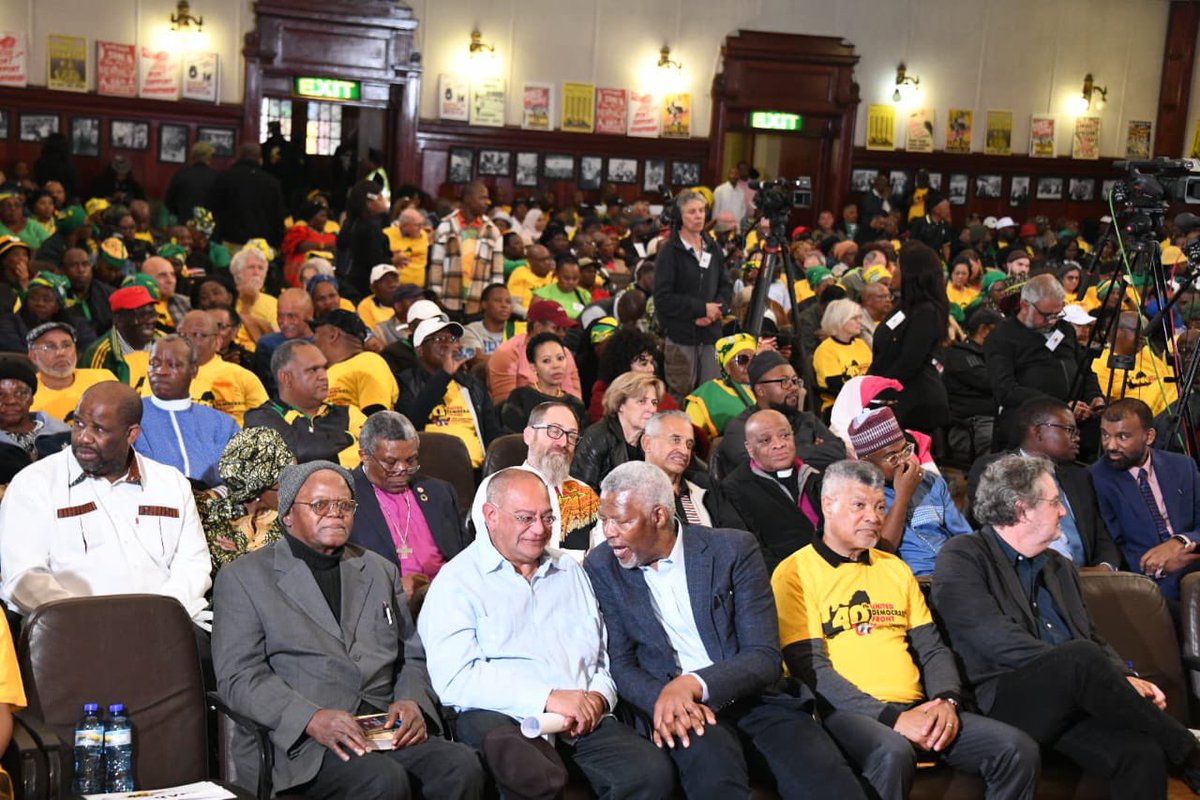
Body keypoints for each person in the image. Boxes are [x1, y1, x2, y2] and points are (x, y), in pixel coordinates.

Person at [585, 461, 865, 799]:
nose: (610, 532)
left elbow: (763, 656)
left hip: (753, 697)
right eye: (605, 520)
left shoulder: (732, 550)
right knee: (714, 775)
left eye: (623, 521)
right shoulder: (602, 564)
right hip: (676, 710)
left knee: (828, 782)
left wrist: (692, 684)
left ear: (659, 516)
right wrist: (665, 698)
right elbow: (621, 663)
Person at [212, 460, 484, 800]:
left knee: (461, 765)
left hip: (381, 732)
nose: (335, 513)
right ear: (287, 516)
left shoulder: (379, 569)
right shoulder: (244, 578)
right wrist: (311, 718)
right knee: (381, 780)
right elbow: (240, 677)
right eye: (320, 505)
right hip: (300, 743)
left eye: (344, 505)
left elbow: (410, 656)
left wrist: (411, 701)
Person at [933, 454, 1200, 796]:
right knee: (1080, 657)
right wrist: (1078, 670)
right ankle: (1189, 752)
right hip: (1003, 701)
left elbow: (1091, 635)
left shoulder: (1059, 565)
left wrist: (1125, 677)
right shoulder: (963, 555)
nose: (1062, 511)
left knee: (1140, 753)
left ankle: (1177, 750)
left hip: (1073, 700)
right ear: (1023, 509)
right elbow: (995, 640)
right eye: (1055, 502)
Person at [772, 459, 1039, 800]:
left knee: (1016, 749)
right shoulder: (794, 571)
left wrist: (946, 699)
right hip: (843, 713)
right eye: (859, 505)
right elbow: (810, 670)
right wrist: (892, 719)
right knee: (893, 751)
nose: (873, 516)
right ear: (828, 504)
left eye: (880, 506)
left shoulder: (895, 569)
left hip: (917, 707)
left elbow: (932, 648)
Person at [418, 467, 674, 800]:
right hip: (504, 718)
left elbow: (601, 655)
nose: (540, 530)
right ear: (490, 516)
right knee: (526, 769)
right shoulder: (456, 581)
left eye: (548, 519)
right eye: (525, 518)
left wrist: (598, 697)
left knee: (650, 772)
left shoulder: (569, 571)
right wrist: (547, 697)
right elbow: (455, 679)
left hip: (582, 717)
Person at [0, 382, 211, 620]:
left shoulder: (170, 482)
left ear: (131, 434)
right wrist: (90, 618)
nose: (84, 437)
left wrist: (158, 613)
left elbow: (193, 564)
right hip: (68, 628)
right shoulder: (34, 483)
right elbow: (23, 576)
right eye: (78, 423)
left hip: (164, 624)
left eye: (99, 429)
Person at [965, 397, 1123, 569]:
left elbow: (1101, 536)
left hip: (1089, 580)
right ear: (1039, 432)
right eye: (1069, 430)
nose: (1077, 438)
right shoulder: (995, 470)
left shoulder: (1078, 476)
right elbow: (998, 535)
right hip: (1029, 580)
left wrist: (1105, 567)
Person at [1090, 398, 1200, 601]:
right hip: (1148, 581)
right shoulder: (1096, 478)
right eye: (1106, 435)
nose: (1111, 445)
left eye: (1122, 436)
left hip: (1193, 561)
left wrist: (1180, 541)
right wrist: (1161, 567)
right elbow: (1112, 545)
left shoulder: (1182, 466)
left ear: (1148, 436)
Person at [349, 411, 468, 598]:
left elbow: (465, 555)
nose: (402, 470)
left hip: (450, 597)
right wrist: (392, 588)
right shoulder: (345, 497)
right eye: (391, 462)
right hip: (386, 603)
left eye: (410, 460)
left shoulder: (439, 492)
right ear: (365, 455)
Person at [985, 273, 1104, 449]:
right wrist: (1060, 407)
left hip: (1077, 417)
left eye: (1058, 313)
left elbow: (1084, 369)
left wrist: (1095, 397)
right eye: (1047, 315)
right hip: (1030, 421)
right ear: (1025, 305)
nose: (1053, 320)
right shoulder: (1002, 336)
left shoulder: (1064, 329)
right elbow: (1006, 390)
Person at [847, 408, 970, 575]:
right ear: (866, 464)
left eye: (906, 450)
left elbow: (962, 535)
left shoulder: (930, 482)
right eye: (892, 458)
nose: (903, 461)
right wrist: (902, 496)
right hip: (910, 581)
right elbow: (882, 551)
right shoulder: (861, 497)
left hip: (953, 571)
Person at [720, 408, 823, 571]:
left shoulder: (815, 476)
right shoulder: (734, 488)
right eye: (765, 440)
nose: (779, 444)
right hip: (784, 576)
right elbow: (751, 549)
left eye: (785, 435)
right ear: (749, 448)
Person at [654, 190, 732, 399]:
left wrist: (717, 309)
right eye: (691, 212)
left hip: (711, 335)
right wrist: (700, 309)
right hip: (681, 336)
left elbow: (726, 285)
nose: (698, 216)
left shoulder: (712, 247)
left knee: (711, 396)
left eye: (701, 210)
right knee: (681, 395)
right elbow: (662, 299)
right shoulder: (669, 251)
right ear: (680, 217)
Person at [134, 335, 240, 488]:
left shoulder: (223, 424)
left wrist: (215, 495)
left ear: (193, 370)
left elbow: (240, 477)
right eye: (154, 364)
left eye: (173, 365)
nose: (161, 371)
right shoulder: (131, 417)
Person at [717, 350, 845, 477]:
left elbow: (839, 451)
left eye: (795, 381)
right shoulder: (742, 427)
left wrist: (784, 455)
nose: (794, 387)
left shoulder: (806, 419)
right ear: (761, 390)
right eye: (784, 382)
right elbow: (760, 466)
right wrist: (812, 449)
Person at [397, 318, 500, 470]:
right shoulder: (405, 381)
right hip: (430, 472)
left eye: (452, 339)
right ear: (419, 349)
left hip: (475, 472)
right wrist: (443, 375)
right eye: (438, 339)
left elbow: (492, 434)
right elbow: (409, 424)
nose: (447, 344)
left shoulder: (472, 385)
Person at [869, 243, 951, 434]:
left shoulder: (926, 312)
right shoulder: (903, 306)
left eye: (897, 266)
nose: (893, 272)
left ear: (912, 273)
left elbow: (909, 362)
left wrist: (875, 387)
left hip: (913, 402)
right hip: (889, 394)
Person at [245, 340, 365, 468]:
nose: (323, 376)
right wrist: (350, 438)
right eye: (313, 370)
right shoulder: (261, 418)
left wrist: (319, 458)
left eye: (324, 368)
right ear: (286, 378)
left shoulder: (348, 412)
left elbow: (377, 449)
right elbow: (298, 452)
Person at [198, 426, 295, 571]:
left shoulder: (294, 517)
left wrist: (243, 555)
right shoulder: (213, 513)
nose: (296, 488)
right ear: (257, 488)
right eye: (286, 483)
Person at [523, 401, 599, 550]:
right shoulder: (501, 488)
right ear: (529, 435)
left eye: (571, 435)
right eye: (555, 431)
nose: (563, 443)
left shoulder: (586, 496)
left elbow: (600, 557)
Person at [572, 371, 662, 491]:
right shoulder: (597, 438)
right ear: (620, 405)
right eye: (642, 401)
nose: (651, 409)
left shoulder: (652, 440)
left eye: (654, 402)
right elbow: (579, 494)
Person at [175, 310, 269, 426]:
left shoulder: (243, 377)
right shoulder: (162, 376)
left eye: (198, 335)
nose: (188, 340)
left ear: (217, 342)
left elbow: (265, 423)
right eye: (181, 335)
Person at [428, 181, 505, 318]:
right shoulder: (446, 226)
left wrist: (494, 300)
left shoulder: (492, 230)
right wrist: (436, 294)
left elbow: (497, 272)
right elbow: (436, 264)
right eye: (482, 197)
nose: (487, 202)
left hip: (479, 302)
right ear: (468, 199)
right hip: (448, 300)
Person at [487, 299, 582, 403]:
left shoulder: (565, 353)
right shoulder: (508, 352)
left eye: (565, 329)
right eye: (556, 328)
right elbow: (505, 406)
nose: (562, 334)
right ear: (538, 327)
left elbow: (575, 400)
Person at [641, 410, 724, 526]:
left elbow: (738, 536)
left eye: (689, 444)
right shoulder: (627, 491)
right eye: (675, 440)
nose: (684, 451)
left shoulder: (706, 485)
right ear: (647, 443)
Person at [311, 310, 398, 415]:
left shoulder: (368, 362)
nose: (313, 340)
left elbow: (375, 418)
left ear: (333, 335)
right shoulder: (324, 372)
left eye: (316, 334)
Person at [28, 321, 117, 422]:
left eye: (66, 345)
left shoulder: (103, 378)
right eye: (50, 347)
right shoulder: (26, 396)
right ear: (33, 356)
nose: (60, 353)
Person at [1092, 311, 1177, 415]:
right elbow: (1109, 404)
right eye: (1138, 331)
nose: (1143, 337)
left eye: (1145, 332)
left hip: (1171, 409)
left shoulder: (1146, 353)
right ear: (1118, 332)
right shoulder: (1100, 363)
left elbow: (1167, 381)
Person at [0, 359, 71, 484]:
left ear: (32, 398)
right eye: (1, 394)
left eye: (20, 393)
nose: (11, 401)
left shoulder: (64, 432)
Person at [79, 285, 162, 389]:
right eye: (141, 314)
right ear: (118, 318)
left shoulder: (164, 343)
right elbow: (94, 396)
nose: (150, 320)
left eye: (152, 313)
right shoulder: (102, 353)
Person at [501, 332, 586, 433]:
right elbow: (512, 441)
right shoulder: (520, 397)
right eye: (546, 361)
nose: (556, 365)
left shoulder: (575, 404)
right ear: (533, 366)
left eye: (560, 358)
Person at [206, 143, 286, 250]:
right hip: (262, 245)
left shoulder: (225, 178)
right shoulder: (272, 182)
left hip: (230, 241)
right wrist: (278, 243)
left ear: (239, 156)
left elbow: (213, 209)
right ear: (260, 158)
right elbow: (278, 215)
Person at [683, 333, 757, 439]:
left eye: (754, 360)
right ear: (726, 366)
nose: (750, 366)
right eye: (742, 360)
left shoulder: (763, 388)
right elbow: (690, 438)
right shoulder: (705, 397)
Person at [813, 298, 873, 413]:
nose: (860, 322)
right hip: (838, 407)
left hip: (865, 403)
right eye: (854, 318)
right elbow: (835, 385)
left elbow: (874, 373)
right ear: (840, 320)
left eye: (860, 317)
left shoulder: (861, 344)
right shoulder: (826, 350)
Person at [252, 288, 314, 397]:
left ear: (309, 314)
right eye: (280, 316)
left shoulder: (324, 343)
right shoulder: (267, 345)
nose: (285, 322)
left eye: (292, 316)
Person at [229, 247, 278, 350]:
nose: (256, 273)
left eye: (260, 268)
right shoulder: (228, 298)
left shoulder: (273, 302)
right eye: (251, 267)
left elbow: (276, 338)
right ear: (238, 273)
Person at [462, 283, 522, 363]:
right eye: (497, 300)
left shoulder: (519, 330)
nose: (504, 305)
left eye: (508, 302)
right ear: (484, 304)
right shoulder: (470, 331)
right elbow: (478, 360)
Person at [165, 141, 217, 226]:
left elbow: (169, 201)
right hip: (207, 224)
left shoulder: (181, 175)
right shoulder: (216, 177)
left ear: (193, 156)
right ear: (209, 157)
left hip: (185, 221)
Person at [506, 243, 555, 318]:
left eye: (548, 259)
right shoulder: (520, 273)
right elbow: (513, 305)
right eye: (542, 260)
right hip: (525, 321)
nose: (547, 263)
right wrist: (532, 315)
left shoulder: (554, 276)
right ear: (530, 261)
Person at [384, 208, 430, 287]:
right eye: (417, 225)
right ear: (403, 226)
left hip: (418, 289)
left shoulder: (424, 235)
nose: (421, 228)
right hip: (395, 288)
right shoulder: (386, 234)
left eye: (422, 224)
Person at [357, 264, 401, 331]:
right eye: (386, 281)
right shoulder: (366, 306)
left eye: (395, 280)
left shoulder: (408, 300)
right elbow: (371, 335)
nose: (392, 284)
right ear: (373, 288)